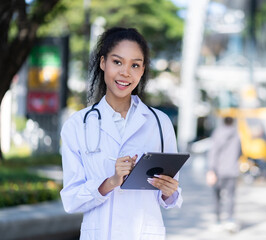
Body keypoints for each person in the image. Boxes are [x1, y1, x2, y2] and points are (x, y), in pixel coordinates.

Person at [60, 27, 182, 240]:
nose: (125, 72)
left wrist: (168, 191)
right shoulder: (77, 125)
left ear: (143, 70)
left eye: (135, 65)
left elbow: (171, 197)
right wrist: (111, 181)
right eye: (117, 62)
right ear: (103, 63)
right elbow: (71, 199)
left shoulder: (161, 124)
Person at [206, 116, 241, 231]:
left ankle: (217, 220)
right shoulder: (237, 135)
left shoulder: (218, 133)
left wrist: (211, 169)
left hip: (218, 171)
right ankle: (230, 220)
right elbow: (240, 152)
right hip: (232, 170)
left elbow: (213, 152)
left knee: (217, 196)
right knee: (230, 196)